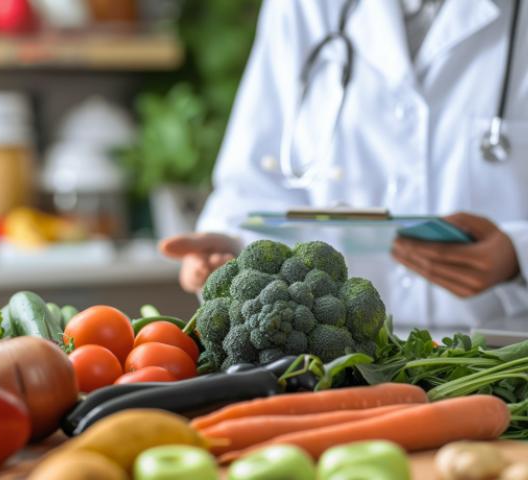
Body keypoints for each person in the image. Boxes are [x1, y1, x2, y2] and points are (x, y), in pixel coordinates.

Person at [160, 0, 528, 332]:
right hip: (338, 357)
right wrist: (232, 244)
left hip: (505, 352)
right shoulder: (303, 7)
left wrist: (517, 256)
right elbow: (256, 179)